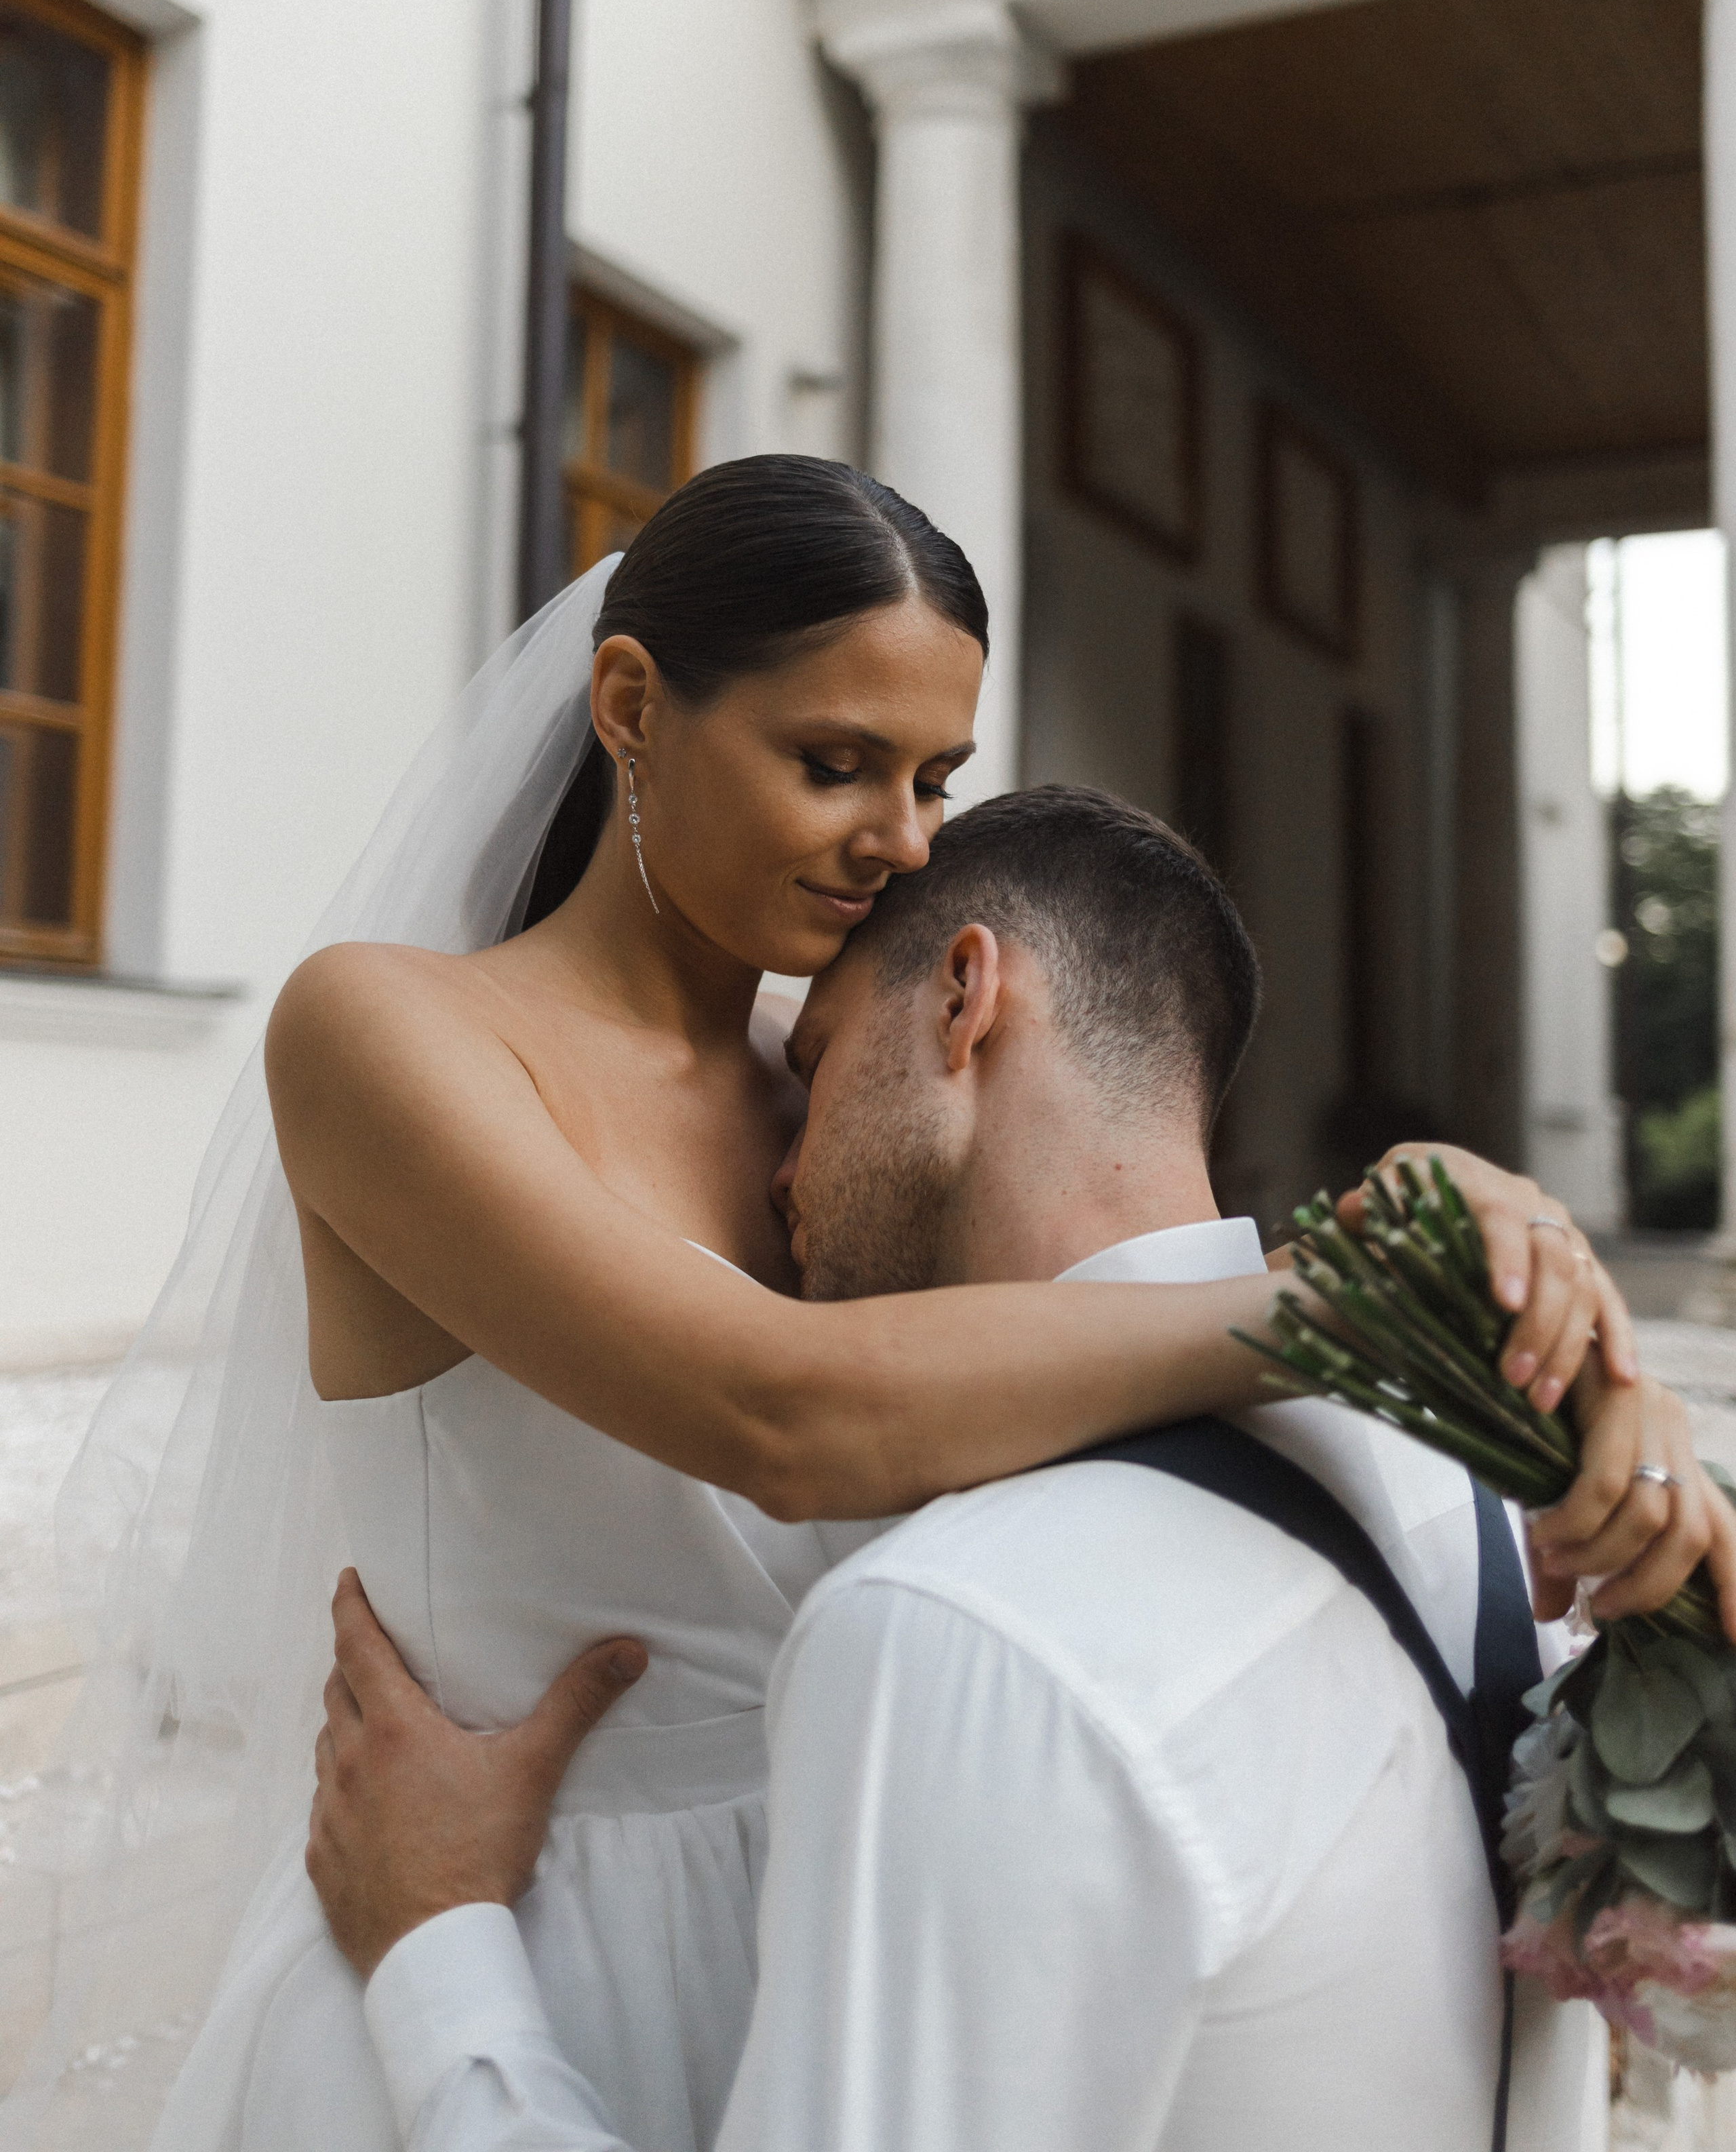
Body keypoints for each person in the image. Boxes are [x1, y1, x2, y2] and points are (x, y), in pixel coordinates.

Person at [9, 460, 1633, 2151]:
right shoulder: (389, 1035)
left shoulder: (835, 1101)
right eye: (833, 763)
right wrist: (1334, 1301)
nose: (908, 840)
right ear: (631, 705)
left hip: (864, 1868)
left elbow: (1049, 1323)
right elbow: (777, 1410)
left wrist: (1467, 1226)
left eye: (935, 776)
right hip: (527, 1908)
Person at [306, 789, 1727, 2152]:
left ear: (960, 998)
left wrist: (439, 1948)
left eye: (810, 1071)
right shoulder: (1469, 1481)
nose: (775, 1178)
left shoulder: (959, 1625)